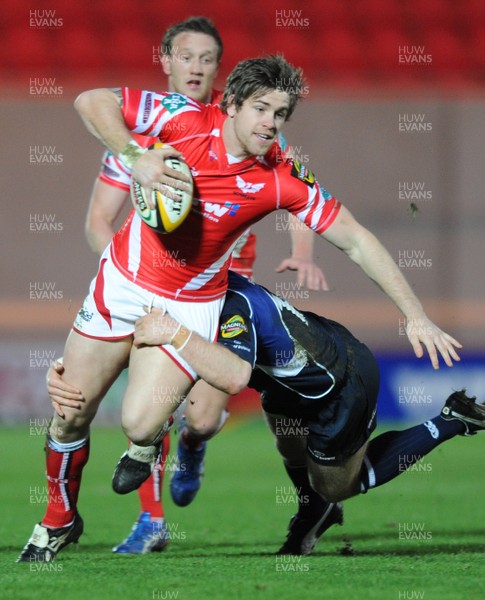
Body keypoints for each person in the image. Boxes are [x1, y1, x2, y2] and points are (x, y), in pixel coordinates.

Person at [18, 54, 460, 563]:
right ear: (230, 104)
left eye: (281, 113)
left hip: (191, 305)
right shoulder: (181, 117)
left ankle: (153, 445)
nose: (271, 123)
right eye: (261, 108)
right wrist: (133, 153)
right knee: (69, 411)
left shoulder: (281, 177)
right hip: (119, 282)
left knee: (140, 425)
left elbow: (356, 240)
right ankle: (58, 520)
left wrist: (416, 314)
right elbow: (89, 99)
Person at [79, 16, 328, 554]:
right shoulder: (136, 139)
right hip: (152, 288)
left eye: (207, 58)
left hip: (224, 292)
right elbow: (98, 220)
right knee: (148, 407)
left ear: (220, 67)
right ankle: (150, 520)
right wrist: (133, 275)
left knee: (205, 416)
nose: (196, 67)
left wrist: (302, 253)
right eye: (186, 56)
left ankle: (194, 446)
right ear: (164, 60)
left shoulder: (245, 121)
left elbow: (298, 190)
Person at [129, 271, 481, 555]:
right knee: (290, 446)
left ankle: (450, 420)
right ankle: (315, 510)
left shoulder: (229, 306)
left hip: (338, 386)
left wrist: (172, 335)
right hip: (289, 382)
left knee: (338, 486)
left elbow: (233, 376)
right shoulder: (194, 292)